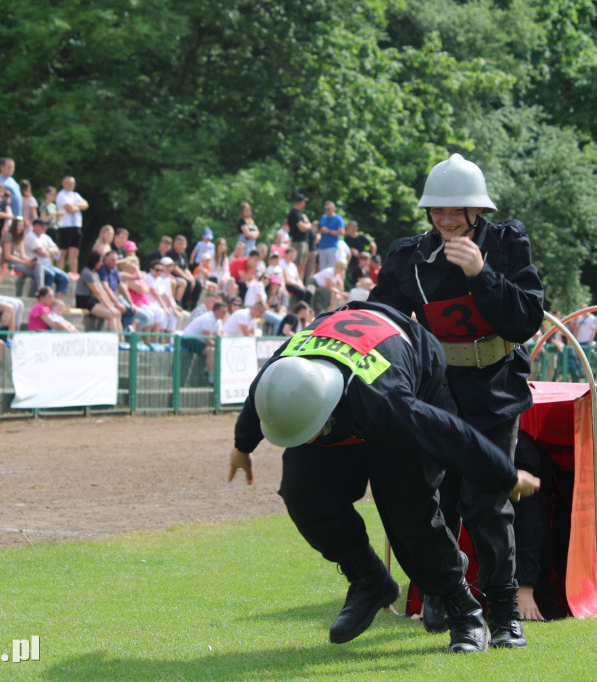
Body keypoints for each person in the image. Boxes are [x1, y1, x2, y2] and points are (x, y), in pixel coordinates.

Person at [229, 301, 541, 652]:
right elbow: (261, 393)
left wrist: (503, 474)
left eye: (311, 433)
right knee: (302, 491)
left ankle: (462, 609)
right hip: (340, 372)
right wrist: (242, 446)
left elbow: (451, 435)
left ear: (327, 412)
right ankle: (368, 579)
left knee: (409, 514)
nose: (309, 441)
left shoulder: (388, 401)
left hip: (410, 372)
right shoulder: (284, 368)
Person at [368, 153, 545, 647]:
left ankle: (505, 614)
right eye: (438, 210)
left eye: (458, 210)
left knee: (488, 503)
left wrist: (482, 273)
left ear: (477, 210)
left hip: (493, 391)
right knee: (434, 504)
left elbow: (526, 319)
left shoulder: (508, 243)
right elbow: (383, 321)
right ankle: (448, 597)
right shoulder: (407, 256)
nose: (447, 220)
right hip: (435, 396)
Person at [75, 250, 123, 332]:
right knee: (112, 314)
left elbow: (102, 292)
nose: (101, 263)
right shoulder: (87, 273)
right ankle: (116, 340)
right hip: (85, 301)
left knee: (116, 313)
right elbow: (97, 292)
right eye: (100, 261)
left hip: (92, 300)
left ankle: (122, 341)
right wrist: (110, 308)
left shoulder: (96, 274)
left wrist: (111, 306)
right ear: (94, 262)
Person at [181, 300, 227, 385]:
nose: (225, 313)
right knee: (211, 351)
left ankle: (212, 372)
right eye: (223, 311)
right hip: (188, 340)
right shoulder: (208, 319)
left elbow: (221, 335)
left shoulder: (218, 321)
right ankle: (212, 379)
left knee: (216, 350)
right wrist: (219, 346)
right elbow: (207, 340)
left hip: (197, 341)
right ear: (216, 311)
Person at [23, 218, 70, 293]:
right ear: (36, 226)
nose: (46, 228)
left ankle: (55, 301)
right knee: (50, 274)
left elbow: (56, 249)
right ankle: (45, 297)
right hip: (37, 266)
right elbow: (42, 252)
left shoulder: (45, 237)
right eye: (43, 226)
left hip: (48, 266)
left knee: (64, 278)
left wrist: (46, 250)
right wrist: (49, 251)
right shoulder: (30, 236)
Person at [56, 175, 89, 276]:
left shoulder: (75, 195)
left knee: (74, 251)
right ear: (63, 184)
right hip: (65, 226)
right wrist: (79, 206)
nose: (71, 185)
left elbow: (86, 204)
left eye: (73, 183)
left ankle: (73, 273)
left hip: (76, 225)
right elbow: (69, 208)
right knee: (63, 251)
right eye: (69, 183)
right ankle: (60, 272)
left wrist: (76, 206)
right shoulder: (61, 195)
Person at [287, 193, 311, 272]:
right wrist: (309, 225)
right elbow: (302, 228)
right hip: (297, 242)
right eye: (304, 201)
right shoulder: (294, 213)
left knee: (302, 265)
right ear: (300, 202)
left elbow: (305, 225)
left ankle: (300, 282)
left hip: (303, 241)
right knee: (297, 264)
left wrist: (306, 224)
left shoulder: (301, 214)